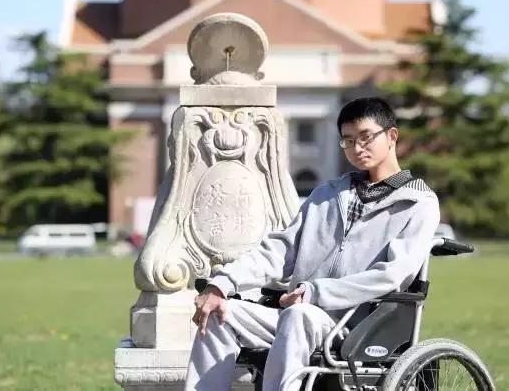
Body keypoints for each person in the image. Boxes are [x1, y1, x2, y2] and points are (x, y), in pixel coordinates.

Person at [184, 97, 440, 391]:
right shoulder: (327, 195)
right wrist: (221, 284)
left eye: (366, 137)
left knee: (298, 315)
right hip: (296, 317)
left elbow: (392, 275)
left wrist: (315, 292)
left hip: (358, 327)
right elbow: (279, 251)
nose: (357, 148)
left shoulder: (418, 203)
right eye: (348, 140)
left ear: (392, 136)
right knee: (219, 313)